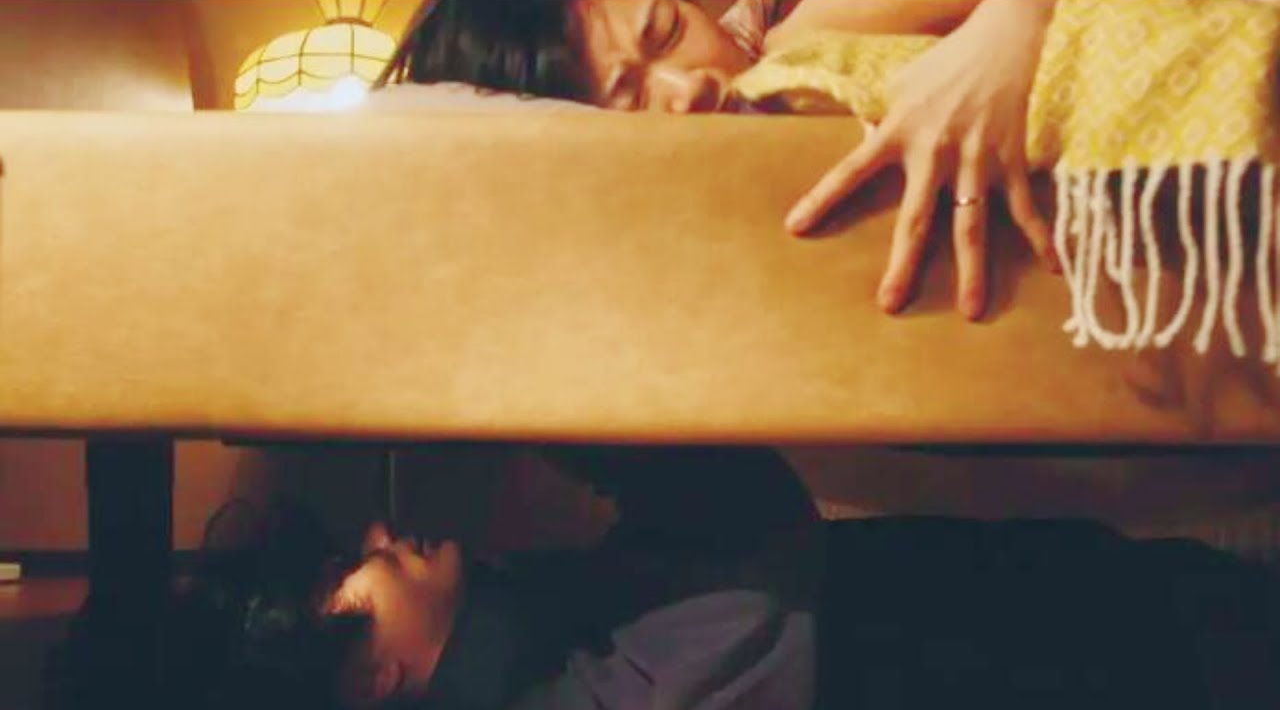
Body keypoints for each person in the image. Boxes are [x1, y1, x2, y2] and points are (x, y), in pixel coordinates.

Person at [139, 444, 1280, 710]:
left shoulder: (537, 625)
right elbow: (747, 553)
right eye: (349, 575)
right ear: (370, 678)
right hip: (1107, 655)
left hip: (1073, 609)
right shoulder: (557, 685)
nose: (379, 534)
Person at [373, 0, 1062, 322]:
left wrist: (1016, 25)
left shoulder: (799, 30)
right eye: (627, 97)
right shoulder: (619, 285)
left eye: (668, 31)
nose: (688, 87)